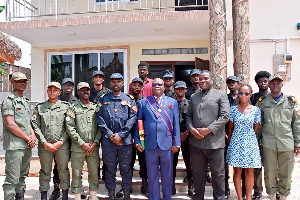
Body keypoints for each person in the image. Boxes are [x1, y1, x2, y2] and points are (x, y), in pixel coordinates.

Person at [186, 70, 230, 200]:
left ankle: (219, 198)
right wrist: (192, 129)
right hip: (196, 143)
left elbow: (225, 116)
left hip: (214, 143)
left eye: (205, 78)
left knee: (218, 175)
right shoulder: (194, 96)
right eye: (200, 79)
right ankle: (198, 197)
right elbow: (188, 116)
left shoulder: (221, 95)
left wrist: (209, 129)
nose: (202, 81)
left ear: (211, 80)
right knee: (198, 174)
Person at [134, 78, 181, 200]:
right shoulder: (144, 103)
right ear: (151, 87)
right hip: (150, 144)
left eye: (160, 85)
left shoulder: (172, 102)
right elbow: (139, 123)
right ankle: (154, 198)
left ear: (164, 87)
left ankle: (167, 197)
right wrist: (138, 140)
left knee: (167, 174)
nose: (157, 87)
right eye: (154, 85)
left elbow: (176, 124)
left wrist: (177, 143)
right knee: (152, 174)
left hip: (167, 144)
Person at [257, 74, 300, 200]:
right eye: (273, 83)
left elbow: (297, 124)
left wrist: (297, 143)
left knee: (285, 172)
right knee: (269, 172)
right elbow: (259, 124)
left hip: (286, 143)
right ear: (269, 85)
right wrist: (258, 143)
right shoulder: (262, 102)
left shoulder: (291, 102)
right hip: (268, 144)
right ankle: (271, 195)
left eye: (278, 83)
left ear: (282, 84)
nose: (275, 85)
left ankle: (283, 196)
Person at [96, 73, 137, 200]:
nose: (116, 83)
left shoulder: (129, 99)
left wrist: (121, 135)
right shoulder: (103, 99)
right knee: (109, 169)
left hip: (125, 142)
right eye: (113, 81)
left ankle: (126, 194)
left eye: (118, 81)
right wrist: (110, 134)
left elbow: (132, 117)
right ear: (110, 83)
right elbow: (99, 117)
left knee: (126, 169)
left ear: (123, 83)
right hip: (109, 142)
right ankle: (111, 194)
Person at [32, 82, 70, 200]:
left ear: (59, 92)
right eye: (50, 90)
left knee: (63, 170)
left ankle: (64, 195)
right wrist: (44, 142)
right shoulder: (40, 107)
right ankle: (44, 195)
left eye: (55, 90)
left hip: (62, 145)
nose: (52, 92)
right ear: (47, 91)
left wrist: (61, 141)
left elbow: (69, 126)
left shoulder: (66, 107)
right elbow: (35, 125)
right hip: (45, 145)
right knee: (45, 171)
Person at [1, 72, 36, 200]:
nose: (22, 83)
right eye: (19, 81)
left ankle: (20, 197)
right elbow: (10, 124)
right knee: (12, 178)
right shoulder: (9, 101)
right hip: (15, 146)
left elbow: (28, 123)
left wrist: (32, 136)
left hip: (26, 146)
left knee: (22, 176)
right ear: (12, 83)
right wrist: (28, 138)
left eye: (24, 81)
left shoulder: (25, 101)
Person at [66, 82, 102, 200]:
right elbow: (70, 127)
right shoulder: (73, 108)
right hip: (78, 147)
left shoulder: (95, 108)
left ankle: (93, 194)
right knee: (76, 172)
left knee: (93, 172)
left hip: (93, 146)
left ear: (90, 91)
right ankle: (77, 195)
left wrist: (95, 142)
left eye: (87, 89)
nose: (85, 91)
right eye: (82, 90)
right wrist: (82, 143)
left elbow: (100, 127)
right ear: (78, 92)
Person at [226, 84, 262, 200]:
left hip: (250, 143)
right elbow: (230, 129)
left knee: (250, 171)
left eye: (246, 93)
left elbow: (255, 129)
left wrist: (248, 139)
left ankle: (248, 198)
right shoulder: (233, 110)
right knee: (237, 170)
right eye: (241, 93)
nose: (243, 95)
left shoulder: (256, 110)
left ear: (250, 95)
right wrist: (232, 141)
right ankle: (240, 198)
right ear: (238, 94)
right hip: (236, 142)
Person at [116, 77, 149, 198]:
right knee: (126, 163)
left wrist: (140, 137)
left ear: (142, 87)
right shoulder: (124, 100)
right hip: (127, 137)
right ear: (131, 87)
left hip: (141, 137)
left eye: (138, 85)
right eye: (134, 85)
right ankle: (126, 187)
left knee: (144, 162)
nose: (136, 87)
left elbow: (147, 120)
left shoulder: (145, 101)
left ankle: (145, 186)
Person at [49, 77, 78, 200]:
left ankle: (77, 189)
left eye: (70, 85)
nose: (68, 87)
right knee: (58, 166)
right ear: (62, 87)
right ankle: (57, 189)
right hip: (61, 139)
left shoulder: (77, 101)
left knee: (77, 166)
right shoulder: (56, 100)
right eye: (65, 85)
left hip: (74, 139)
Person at [250, 71, 271, 200]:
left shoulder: (273, 96)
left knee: (272, 164)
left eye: (265, 81)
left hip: (270, 135)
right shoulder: (253, 98)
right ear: (257, 83)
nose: (263, 83)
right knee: (257, 165)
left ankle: (274, 189)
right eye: (260, 81)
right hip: (256, 135)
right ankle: (257, 190)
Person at [174, 81, 194, 196]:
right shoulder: (170, 104)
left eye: (182, 89)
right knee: (172, 162)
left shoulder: (191, 104)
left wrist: (185, 133)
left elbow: (193, 120)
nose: (180, 90)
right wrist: (177, 135)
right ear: (175, 90)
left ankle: (191, 187)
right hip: (174, 137)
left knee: (189, 162)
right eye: (178, 89)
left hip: (187, 136)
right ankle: (171, 185)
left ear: (186, 90)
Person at [225, 75, 244, 199]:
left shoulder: (244, 97)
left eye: (234, 82)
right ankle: (226, 189)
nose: (231, 84)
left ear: (237, 83)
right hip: (225, 135)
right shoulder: (224, 98)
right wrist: (225, 134)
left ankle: (243, 191)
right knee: (223, 165)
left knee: (242, 165)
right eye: (229, 82)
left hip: (241, 137)